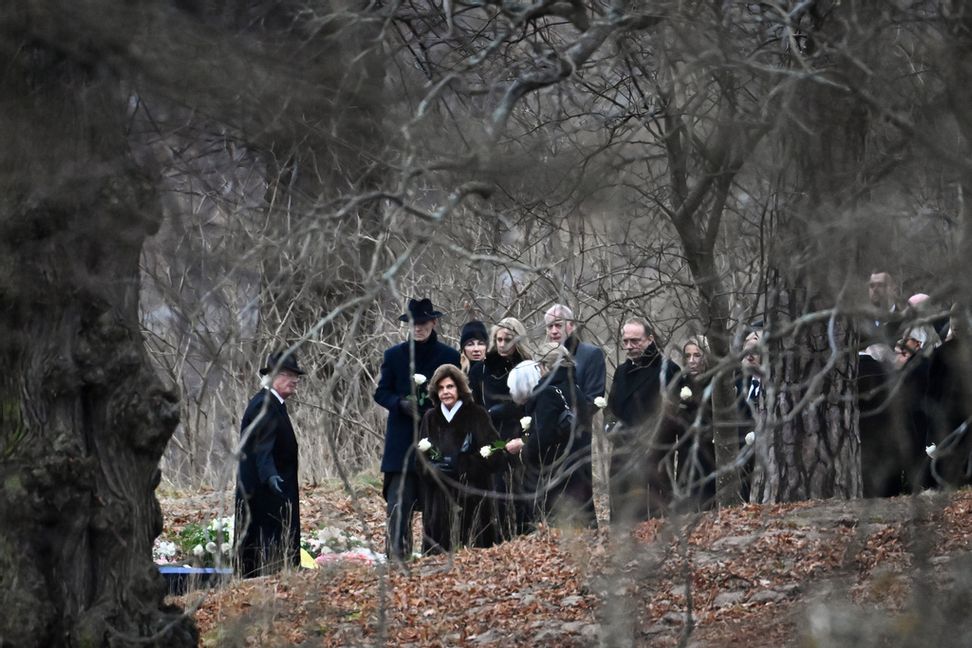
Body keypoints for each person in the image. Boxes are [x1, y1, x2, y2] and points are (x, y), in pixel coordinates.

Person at [374, 298, 460, 561]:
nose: (418, 328)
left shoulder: (449, 357)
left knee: (437, 509)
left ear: (433, 323)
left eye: (422, 323)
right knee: (398, 509)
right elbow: (381, 393)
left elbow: (459, 395)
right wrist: (399, 404)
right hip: (401, 445)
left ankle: (436, 561)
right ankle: (397, 561)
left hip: (436, 440)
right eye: (413, 323)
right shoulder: (394, 355)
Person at [506, 342, 595, 528]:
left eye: (538, 367)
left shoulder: (548, 393)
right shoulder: (576, 389)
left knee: (559, 531)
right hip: (581, 471)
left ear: (544, 366)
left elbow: (542, 439)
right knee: (584, 530)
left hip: (558, 475)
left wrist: (523, 448)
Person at [416, 364, 503, 554]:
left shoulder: (477, 414)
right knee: (439, 560)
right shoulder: (430, 418)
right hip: (439, 501)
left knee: (473, 556)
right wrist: (432, 469)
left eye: (450, 386)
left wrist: (464, 464)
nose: (445, 392)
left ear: (460, 388)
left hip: (472, 497)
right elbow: (419, 459)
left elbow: (495, 452)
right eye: (441, 388)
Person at [235, 350, 305, 577]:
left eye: (296, 376)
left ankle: (280, 575)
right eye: (288, 375)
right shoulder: (263, 404)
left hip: (274, 488)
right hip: (264, 493)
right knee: (265, 545)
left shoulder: (274, 403)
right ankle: (267, 579)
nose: (294, 380)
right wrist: (270, 475)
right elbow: (261, 447)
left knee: (277, 541)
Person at [605, 318, 680, 524]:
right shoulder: (621, 371)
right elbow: (611, 408)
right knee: (621, 512)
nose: (629, 346)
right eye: (626, 341)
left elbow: (672, 414)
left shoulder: (668, 369)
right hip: (621, 450)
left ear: (650, 339)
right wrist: (610, 427)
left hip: (653, 453)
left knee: (651, 513)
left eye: (635, 341)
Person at [469, 317, 532, 538]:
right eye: (499, 339)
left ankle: (523, 539)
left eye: (508, 339)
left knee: (520, 495)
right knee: (494, 496)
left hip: (518, 435)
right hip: (491, 437)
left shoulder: (527, 367)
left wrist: (525, 438)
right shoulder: (481, 370)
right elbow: (474, 407)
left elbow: (532, 406)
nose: (503, 344)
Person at [543, 304, 604, 526]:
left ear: (571, 325)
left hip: (578, 436)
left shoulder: (590, 354)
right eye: (549, 326)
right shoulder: (543, 355)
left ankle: (588, 536)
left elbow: (594, 397)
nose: (554, 331)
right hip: (548, 440)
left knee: (580, 495)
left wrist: (566, 420)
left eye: (558, 325)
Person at [669, 337, 716, 511]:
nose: (692, 361)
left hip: (710, 451)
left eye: (697, 355)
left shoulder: (715, 382)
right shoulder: (681, 382)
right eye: (688, 356)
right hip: (686, 450)